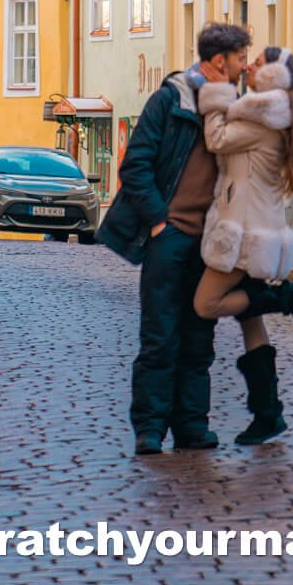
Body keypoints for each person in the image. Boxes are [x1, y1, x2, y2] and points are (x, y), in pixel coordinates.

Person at [97, 22, 252, 455]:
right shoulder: (172, 100)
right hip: (170, 239)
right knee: (160, 337)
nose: (243, 67)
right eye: (239, 59)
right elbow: (136, 166)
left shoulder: (235, 108)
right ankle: (149, 429)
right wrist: (159, 222)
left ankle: (191, 427)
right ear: (219, 61)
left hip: (212, 244)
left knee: (199, 338)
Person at [193, 47, 293, 445]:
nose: (249, 67)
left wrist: (215, 93)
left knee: (205, 304)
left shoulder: (263, 117)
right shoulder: (274, 114)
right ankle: (268, 415)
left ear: (274, 76)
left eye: (259, 64)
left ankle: (292, 299)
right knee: (250, 318)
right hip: (258, 226)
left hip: (244, 233)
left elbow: (215, 139)